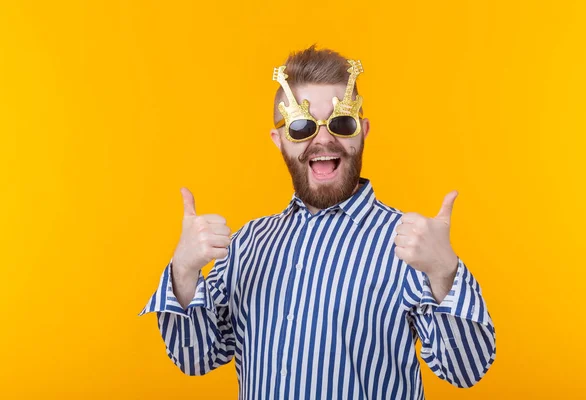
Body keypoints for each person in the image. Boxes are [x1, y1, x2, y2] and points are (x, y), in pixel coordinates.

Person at [139, 44, 496, 399]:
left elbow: (465, 370)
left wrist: (444, 272)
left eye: (342, 122)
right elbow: (196, 357)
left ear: (363, 131)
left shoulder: (409, 243)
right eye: (301, 126)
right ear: (279, 140)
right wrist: (183, 271)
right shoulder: (248, 244)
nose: (323, 138)